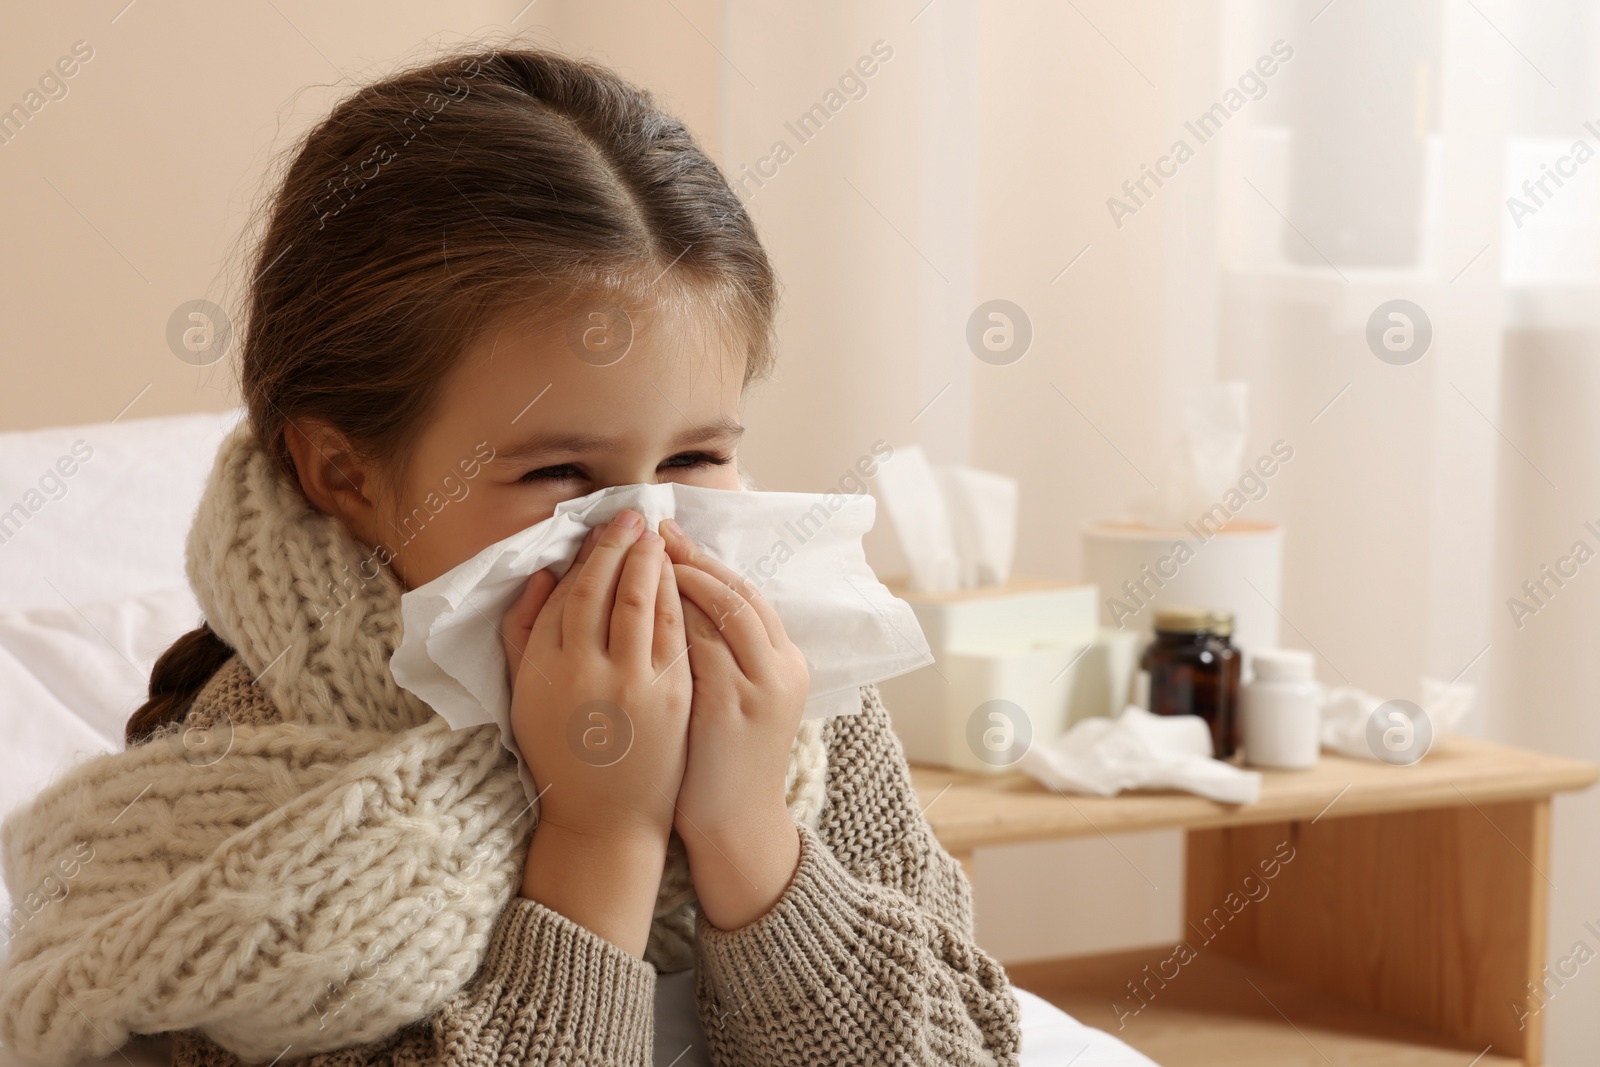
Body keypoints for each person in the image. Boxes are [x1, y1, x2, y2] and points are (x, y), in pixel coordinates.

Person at [0, 44, 1021, 1067]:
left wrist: (751, 830)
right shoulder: (249, 795)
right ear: (344, 475)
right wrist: (599, 840)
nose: (644, 534)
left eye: (696, 453)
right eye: (561, 472)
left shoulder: (789, 705)